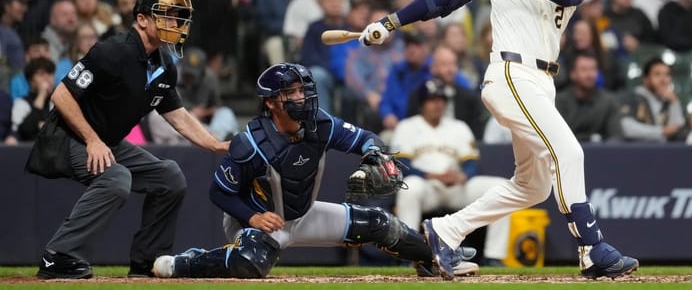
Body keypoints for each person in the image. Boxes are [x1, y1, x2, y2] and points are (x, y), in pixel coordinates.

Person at [357, 0, 638, 280]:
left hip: (542, 80)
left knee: (532, 186)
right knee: (569, 152)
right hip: (510, 72)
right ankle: (592, 248)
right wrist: (390, 22)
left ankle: (446, 231)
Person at [150, 63, 478, 279]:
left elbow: (363, 137)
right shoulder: (250, 142)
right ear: (271, 102)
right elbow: (219, 191)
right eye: (290, 93)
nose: (301, 97)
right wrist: (252, 218)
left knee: (378, 223)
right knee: (249, 263)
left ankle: (432, 259)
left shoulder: (320, 123)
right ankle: (186, 262)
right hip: (260, 218)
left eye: (301, 90)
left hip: (303, 213)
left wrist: (373, 152)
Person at [26, 0, 229, 280]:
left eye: (178, 18)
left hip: (106, 141)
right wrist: (92, 140)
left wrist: (214, 144)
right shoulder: (113, 50)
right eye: (167, 17)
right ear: (142, 19)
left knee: (169, 177)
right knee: (116, 177)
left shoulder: (163, 65)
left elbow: (178, 116)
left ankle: (146, 262)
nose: (175, 24)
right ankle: (59, 256)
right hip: (66, 136)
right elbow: (61, 95)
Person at [394, 78, 510, 266]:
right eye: (432, 99)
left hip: (457, 186)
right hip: (428, 186)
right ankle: (408, 254)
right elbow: (402, 165)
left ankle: (494, 256)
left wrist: (463, 175)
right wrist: (432, 176)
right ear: (423, 103)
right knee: (409, 188)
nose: (437, 104)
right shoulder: (407, 126)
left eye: (441, 99)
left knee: (501, 187)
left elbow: (471, 162)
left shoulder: (458, 126)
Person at [619, 57, 687, 142]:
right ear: (646, 79)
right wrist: (661, 131)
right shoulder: (632, 97)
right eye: (657, 74)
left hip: (665, 151)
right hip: (638, 150)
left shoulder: (670, 101)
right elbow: (625, 127)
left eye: (667, 75)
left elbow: (677, 129)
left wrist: (674, 103)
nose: (663, 79)